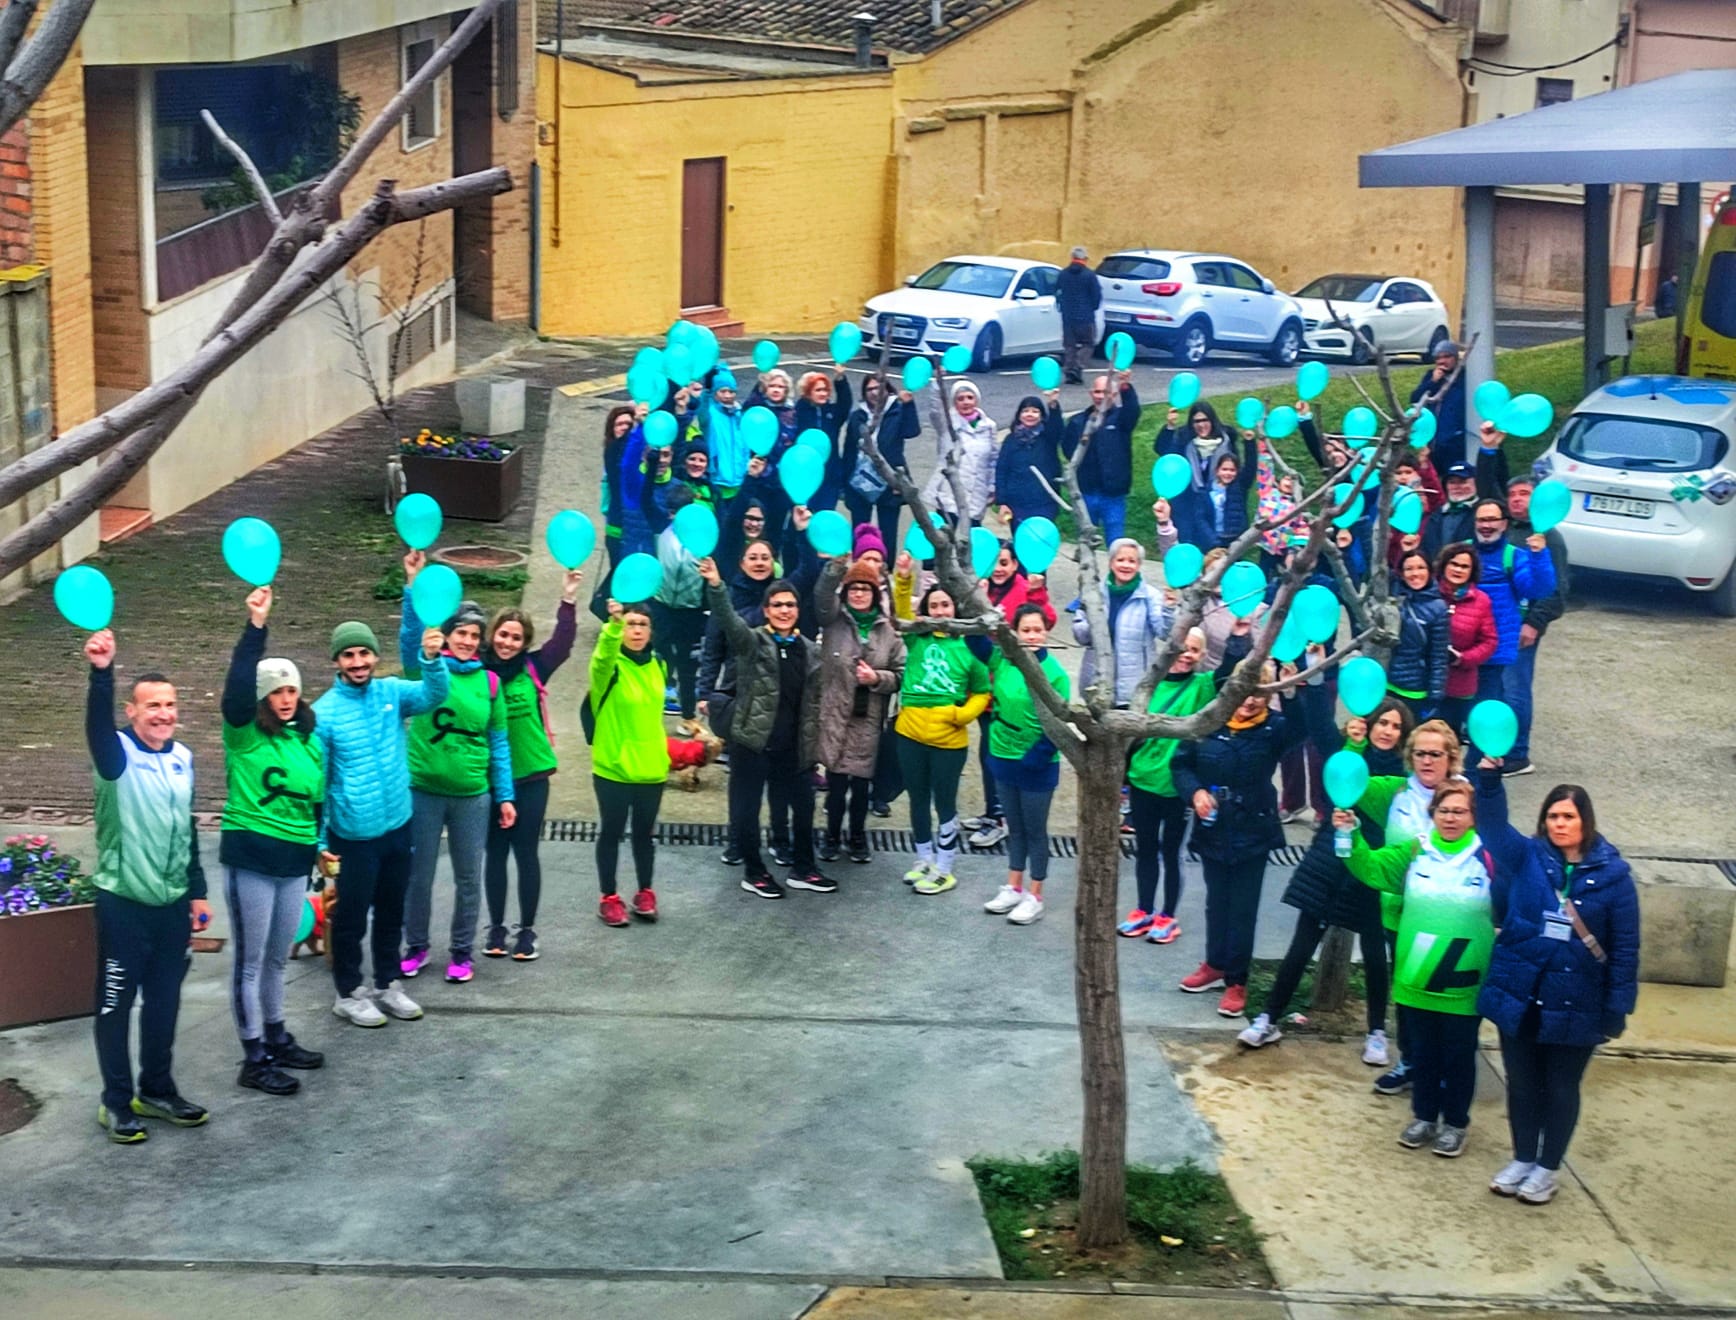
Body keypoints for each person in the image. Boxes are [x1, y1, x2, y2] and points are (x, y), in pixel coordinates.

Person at [1477, 776, 1640, 1205]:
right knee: (1521, 1084)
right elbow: (1492, 828)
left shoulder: (1615, 878)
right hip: (1523, 995)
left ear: (1585, 821)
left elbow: (1625, 948)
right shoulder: (1528, 856)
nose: (1559, 824)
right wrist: (1489, 781)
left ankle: (1547, 1168)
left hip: (1578, 1001)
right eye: (1552, 816)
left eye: (1568, 816)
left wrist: (1618, 1006)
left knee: (1561, 1087)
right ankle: (1522, 1158)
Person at [83, 631, 210, 1143]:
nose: (163, 713)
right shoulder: (115, 756)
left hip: (171, 907)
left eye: (170, 705)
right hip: (123, 905)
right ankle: (116, 1102)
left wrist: (197, 891)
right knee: (116, 1006)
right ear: (131, 712)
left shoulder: (183, 758)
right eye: (152, 705)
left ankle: (156, 1090)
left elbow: (187, 829)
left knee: (164, 1004)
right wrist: (102, 673)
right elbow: (96, 726)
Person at [1239, 689, 1411, 1059]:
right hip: (1329, 860)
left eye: (1396, 726)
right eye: (1383, 722)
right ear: (1370, 723)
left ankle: (1376, 1033)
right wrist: (1306, 681)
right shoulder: (1348, 752)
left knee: (1375, 954)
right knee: (1301, 946)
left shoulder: (1404, 775)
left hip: (1371, 867)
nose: (1388, 731)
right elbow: (1318, 725)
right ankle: (1268, 1018)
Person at [1339, 779, 1498, 1158]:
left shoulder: (1489, 857)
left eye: (1459, 811)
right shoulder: (1415, 851)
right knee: (1423, 1053)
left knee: (1459, 1056)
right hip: (1416, 980)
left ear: (1473, 816)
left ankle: (1455, 1123)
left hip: (1463, 988)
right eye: (1444, 810)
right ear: (1433, 814)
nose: (1451, 818)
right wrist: (1350, 833)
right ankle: (1424, 1117)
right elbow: (1371, 868)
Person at [313, 614, 447, 1028]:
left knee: (391, 911)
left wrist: (431, 659)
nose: (357, 662)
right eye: (348, 655)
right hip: (353, 836)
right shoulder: (323, 714)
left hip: (397, 826)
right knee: (351, 918)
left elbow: (433, 694)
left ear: (374, 656)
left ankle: (388, 984)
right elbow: (319, 783)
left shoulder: (391, 692)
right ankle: (349, 993)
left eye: (364, 653)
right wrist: (320, 843)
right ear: (336, 661)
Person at [218, 588, 326, 1097]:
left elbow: (315, 803)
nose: (286, 699)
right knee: (251, 960)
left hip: (294, 861)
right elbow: (236, 689)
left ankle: (277, 1036)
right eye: (277, 691)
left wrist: (318, 848)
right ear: (262, 697)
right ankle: (253, 1056)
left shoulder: (307, 741)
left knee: (280, 957)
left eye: (292, 691)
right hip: (253, 859)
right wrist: (255, 628)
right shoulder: (243, 735)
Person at [1170, 625, 1307, 1018]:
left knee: (1242, 907)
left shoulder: (1274, 728)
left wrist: (1291, 693)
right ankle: (1214, 964)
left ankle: (1237, 979)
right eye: (1243, 691)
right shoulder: (1210, 720)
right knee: (1216, 901)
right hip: (1213, 826)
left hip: (1253, 827)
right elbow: (1181, 764)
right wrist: (1195, 792)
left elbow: (1301, 730)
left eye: (1258, 693)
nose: (1249, 701)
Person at [398, 560, 516, 986]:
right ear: (447, 635)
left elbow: (499, 744)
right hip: (423, 791)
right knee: (419, 876)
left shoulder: (491, 684)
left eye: (474, 636)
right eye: (461, 633)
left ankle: (462, 952)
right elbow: (410, 638)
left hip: (472, 795)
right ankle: (416, 947)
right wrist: (412, 586)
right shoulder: (428, 669)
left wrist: (505, 796)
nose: (467, 641)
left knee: (469, 877)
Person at [698, 557, 832, 898]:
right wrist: (716, 586)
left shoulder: (810, 650)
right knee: (747, 810)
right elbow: (729, 621)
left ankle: (804, 868)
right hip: (753, 743)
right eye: (777, 605)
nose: (784, 610)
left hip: (793, 747)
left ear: (797, 610)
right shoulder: (752, 642)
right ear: (767, 610)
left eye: (790, 605)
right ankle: (754, 872)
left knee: (804, 807)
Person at [1351, 717, 1468, 1095]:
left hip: (1450, 917)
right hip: (1401, 915)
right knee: (1407, 991)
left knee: (1444, 996)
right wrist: (1354, 744)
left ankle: (1445, 1068)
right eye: (1419, 754)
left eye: (1435, 754)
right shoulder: (1394, 791)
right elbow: (1347, 781)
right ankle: (1411, 1061)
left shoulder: (1468, 800)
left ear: (1451, 757)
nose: (1426, 761)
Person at [480, 571, 581, 961]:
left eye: (516, 638)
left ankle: (526, 930)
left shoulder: (535, 667)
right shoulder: (477, 671)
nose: (508, 642)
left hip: (532, 777)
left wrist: (568, 599)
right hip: (491, 780)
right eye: (503, 635)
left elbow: (563, 643)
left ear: (525, 643)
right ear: (492, 635)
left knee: (526, 853)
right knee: (495, 854)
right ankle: (496, 927)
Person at [894, 582, 991, 894]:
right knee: (917, 798)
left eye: (945, 605)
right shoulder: (915, 638)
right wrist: (903, 580)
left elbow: (982, 691)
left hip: (948, 741)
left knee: (945, 802)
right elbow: (901, 609)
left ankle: (945, 867)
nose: (939, 611)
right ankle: (924, 858)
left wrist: (961, 715)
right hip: (909, 734)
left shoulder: (969, 648)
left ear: (955, 609)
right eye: (933, 606)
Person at [1121, 626, 1216, 946]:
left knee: (1173, 852)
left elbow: (1230, 674)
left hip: (1179, 788)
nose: (1186, 655)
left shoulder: (1202, 686)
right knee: (1145, 849)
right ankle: (1144, 909)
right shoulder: (1149, 684)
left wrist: (1239, 636)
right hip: (1142, 780)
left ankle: (1168, 915)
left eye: (1194, 650)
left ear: (1203, 655)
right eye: (1182, 647)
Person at [980, 606, 1071, 925]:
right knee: (1014, 827)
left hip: (1037, 763)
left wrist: (1038, 755)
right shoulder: (1004, 658)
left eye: (1038, 630)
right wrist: (987, 618)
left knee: (1035, 830)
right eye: (1026, 630)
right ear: (1015, 633)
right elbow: (976, 644)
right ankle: (1014, 886)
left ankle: (1035, 894)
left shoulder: (1055, 673)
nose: (1032, 636)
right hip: (1003, 756)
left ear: (1046, 632)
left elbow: (1060, 721)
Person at [814, 556, 906, 864]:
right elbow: (821, 598)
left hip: (868, 720)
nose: (858, 594)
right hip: (835, 716)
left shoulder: (888, 631)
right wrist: (835, 568)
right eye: (853, 588)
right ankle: (831, 835)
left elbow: (901, 674)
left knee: (861, 784)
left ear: (875, 594)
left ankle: (857, 836)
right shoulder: (833, 621)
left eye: (865, 589)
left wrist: (876, 678)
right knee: (836, 784)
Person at [965, 544, 1056, 848]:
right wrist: (974, 600)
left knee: (1001, 754)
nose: (999, 569)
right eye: (995, 562)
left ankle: (1002, 818)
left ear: (1016, 564)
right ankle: (992, 811)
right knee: (987, 753)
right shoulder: (982, 588)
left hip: (1011, 688)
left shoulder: (1024, 589)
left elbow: (1046, 621)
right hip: (984, 682)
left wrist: (1037, 593)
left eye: (1005, 562)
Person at [589, 598, 672, 925]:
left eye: (642, 625)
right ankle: (608, 897)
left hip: (651, 768)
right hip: (614, 769)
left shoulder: (659, 666)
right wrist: (612, 625)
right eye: (630, 625)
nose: (636, 631)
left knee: (644, 835)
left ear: (651, 631)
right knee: (611, 832)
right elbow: (602, 656)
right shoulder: (608, 668)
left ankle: (645, 892)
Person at [1469, 500, 1556, 754]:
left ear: (1504, 524)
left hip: (1495, 654)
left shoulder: (1514, 556)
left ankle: (1483, 769)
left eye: (1492, 520)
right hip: (1461, 651)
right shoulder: (1461, 552)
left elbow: (1539, 589)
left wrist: (1539, 556)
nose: (1486, 526)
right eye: (1481, 520)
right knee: (1456, 716)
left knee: (1486, 717)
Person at [1499, 476, 1569, 777]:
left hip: (1523, 627)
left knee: (1515, 688)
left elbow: (1557, 591)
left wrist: (1534, 623)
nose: (1517, 499)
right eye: (1512, 494)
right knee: (1496, 687)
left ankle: (1517, 755)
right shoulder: (1505, 530)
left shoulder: (1549, 538)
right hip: (1498, 621)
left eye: (1524, 494)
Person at [1072, 539, 1171, 708]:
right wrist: (1093, 625)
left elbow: (1165, 633)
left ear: (1139, 565)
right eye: (1120, 560)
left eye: (1132, 561)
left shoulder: (1151, 596)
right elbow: (1080, 636)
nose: (1126, 565)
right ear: (1111, 563)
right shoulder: (1093, 593)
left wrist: (1169, 609)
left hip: (1134, 688)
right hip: (1096, 683)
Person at [1061, 372, 1141, 543]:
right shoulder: (1077, 421)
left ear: (1114, 395)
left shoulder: (1121, 419)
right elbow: (1068, 450)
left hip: (1113, 494)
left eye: (1106, 392)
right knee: (1085, 538)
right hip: (1086, 491)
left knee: (1116, 540)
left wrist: (1126, 387)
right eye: (1097, 392)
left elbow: (1133, 411)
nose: (1100, 396)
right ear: (1091, 393)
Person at [843, 374, 920, 551]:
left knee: (888, 533)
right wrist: (844, 483)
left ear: (887, 389)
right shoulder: (857, 416)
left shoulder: (897, 411)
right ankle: (860, 563)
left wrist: (908, 405)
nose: (873, 392)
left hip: (890, 481)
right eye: (869, 389)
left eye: (878, 388)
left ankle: (886, 565)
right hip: (860, 480)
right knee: (859, 531)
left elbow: (912, 431)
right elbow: (848, 450)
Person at [1434, 542, 1497, 737]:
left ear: (1472, 571)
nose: (1458, 570)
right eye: (1454, 564)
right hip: (1424, 681)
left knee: (1447, 741)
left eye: (1464, 566)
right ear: (1444, 565)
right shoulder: (1428, 592)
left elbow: (1489, 642)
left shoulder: (1482, 601)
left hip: (1458, 685)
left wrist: (1463, 658)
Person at [1155, 401, 1233, 552]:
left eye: (1205, 420)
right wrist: (1170, 426)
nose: (1201, 425)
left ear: (1212, 420)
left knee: (1213, 552)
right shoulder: (1184, 441)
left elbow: (1237, 473)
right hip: (1187, 505)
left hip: (1215, 506)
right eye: (1197, 421)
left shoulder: (1227, 444)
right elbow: (1163, 451)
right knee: (1187, 547)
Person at [924, 379, 998, 527]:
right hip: (949, 493)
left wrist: (992, 487)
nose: (966, 402)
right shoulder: (947, 423)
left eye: (970, 398)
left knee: (971, 536)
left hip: (977, 494)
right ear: (954, 402)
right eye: (960, 398)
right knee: (947, 535)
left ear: (976, 400)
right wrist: (937, 385)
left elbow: (993, 460)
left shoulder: (989, 426)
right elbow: (935, 411)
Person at [1388, 550, 1450, 721]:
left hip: (1415, 690)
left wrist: (1435, 695)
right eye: (1409, 569)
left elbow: (1439, 656)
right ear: (1401, 574)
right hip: (1386, 684)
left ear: (1430, 571)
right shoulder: (1392, 600)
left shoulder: (1439, 608)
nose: (1415, 573)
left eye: (1421, 567)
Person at [995, 392, 1065, 529]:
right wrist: (1002, 502)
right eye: (1026, 411)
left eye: (1035, 411)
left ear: (1041, 416)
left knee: (1043, 537)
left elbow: (1057, 428)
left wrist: (1053, 404)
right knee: (1020, 538)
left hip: (1044, 501)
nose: (1030, 414)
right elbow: (1001, 470)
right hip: (1017, 503)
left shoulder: (1048, 437)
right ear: (1019, 415)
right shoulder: (1010, 440)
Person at [1409, 338, 1467, 472]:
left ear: (1455, 357)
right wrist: (1433, 382)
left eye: (1446, 357)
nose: (1442, 361)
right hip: (1434, 440)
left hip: (1456, 439)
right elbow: (1415, 399)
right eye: (1438, 358)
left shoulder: (1464, 377)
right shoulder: (1431, 376)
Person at [1057, 244, 1100, 383]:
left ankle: (1070, 372)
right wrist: (1092, 308)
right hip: (1085, 317)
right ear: (1085, 259)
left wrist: (1063, 308)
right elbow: (1096, 296)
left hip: (1068, 317)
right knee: (1088, 344)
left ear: (1072, 257)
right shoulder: (1090, 275)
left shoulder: (1063, 274)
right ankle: (1077, 366)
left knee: (1070, 346)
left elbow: (1058, 292)